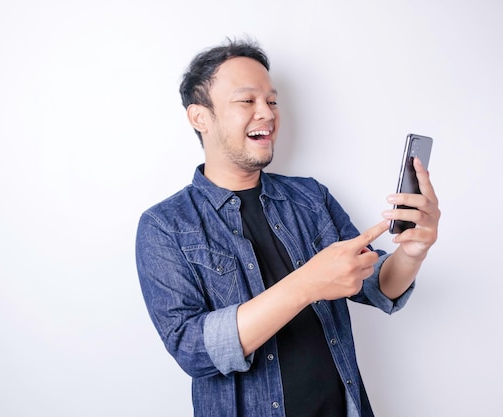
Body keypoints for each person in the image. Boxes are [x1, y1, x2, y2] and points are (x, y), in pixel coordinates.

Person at [135, 38, 440, 417]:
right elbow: (193, 349)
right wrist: (307, 282)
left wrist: (413, 251)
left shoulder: (310, 197)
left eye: (272, 101)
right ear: (200, 117)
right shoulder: (164, 226)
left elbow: (377, 286)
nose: (267, 113)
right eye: (247, 101)